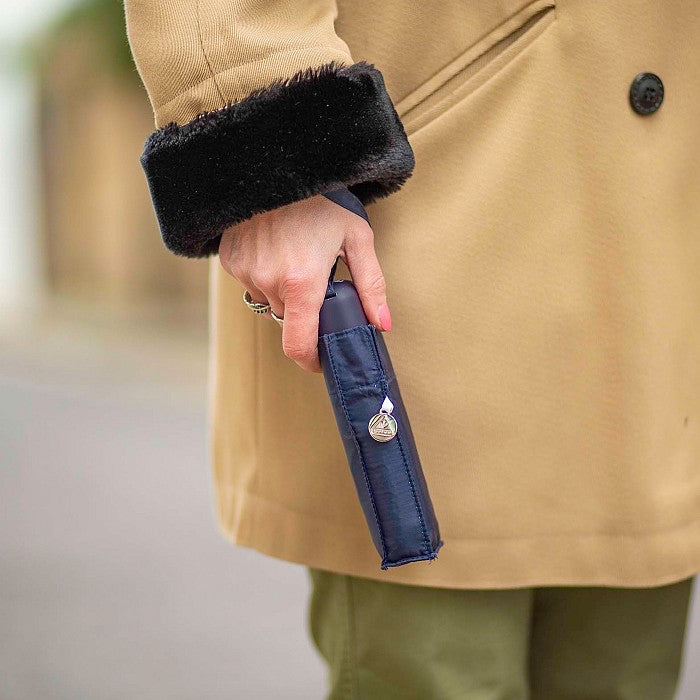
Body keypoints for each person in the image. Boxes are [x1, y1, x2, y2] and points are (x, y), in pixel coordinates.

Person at [124, 1, 700, 697]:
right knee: (437, 664)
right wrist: (271, 148)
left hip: (661, 243)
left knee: (627, 669)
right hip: (433, 198)